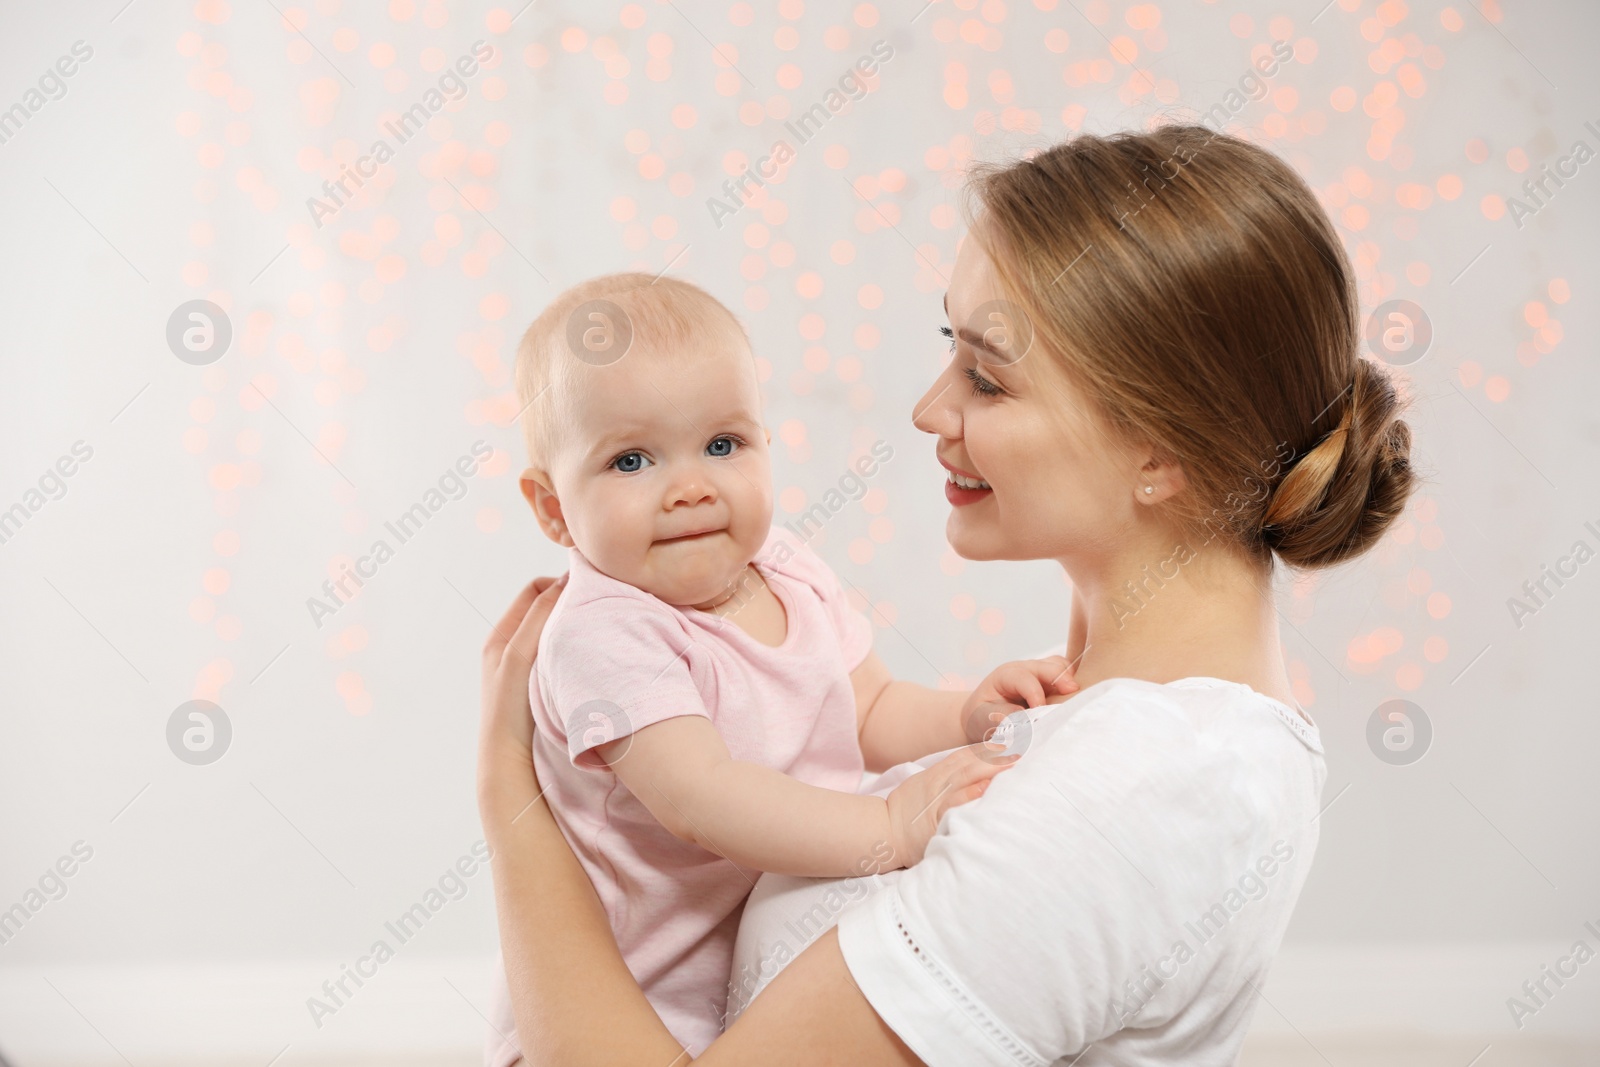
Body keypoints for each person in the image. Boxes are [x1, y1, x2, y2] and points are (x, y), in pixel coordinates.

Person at [477, 124, 1417, 1065]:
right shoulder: (1123, 736)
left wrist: (513, 803)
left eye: (988, 379)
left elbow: (840, 723)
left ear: (1159, 454)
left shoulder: (1135, 790)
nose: (929, 409)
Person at [482, 272, 1078, 1065]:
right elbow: (703, 797)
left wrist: (965, 712)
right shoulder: (601, 632)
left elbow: (868, 710)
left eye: (722, 444)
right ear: (553, 507)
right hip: (635, 1005)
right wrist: (888, 826)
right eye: (632, 460)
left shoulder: (786, 565)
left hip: (757, 984)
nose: (690, 487)